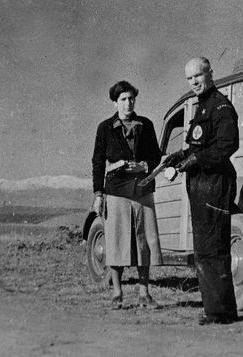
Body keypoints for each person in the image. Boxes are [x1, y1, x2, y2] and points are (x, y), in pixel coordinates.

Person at [163, 57, 239, 324]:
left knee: (214, 248)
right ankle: (216, 309)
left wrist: (192, 161)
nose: (194, 81)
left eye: (198, 75)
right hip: (201, 187)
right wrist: (179, 155)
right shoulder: (202, 107)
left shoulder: (221, 107)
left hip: (215, 186)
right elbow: (199, 145)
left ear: (210, 73)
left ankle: (220, 312)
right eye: (189, 78)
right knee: (205, 249)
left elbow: (227, 146)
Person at [91, 80, 163, 310]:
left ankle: (144, 293)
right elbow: (98, 162)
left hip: (142, 188)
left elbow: (156, 156)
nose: (128, 102)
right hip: (116, 191)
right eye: (123, 99)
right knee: (116, 241)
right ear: (115, 102)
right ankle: (117, 293)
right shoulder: (104, 128)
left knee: (143, 241)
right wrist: (98, 194)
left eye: (131, 98)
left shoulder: (146, 125)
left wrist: (145, 164)